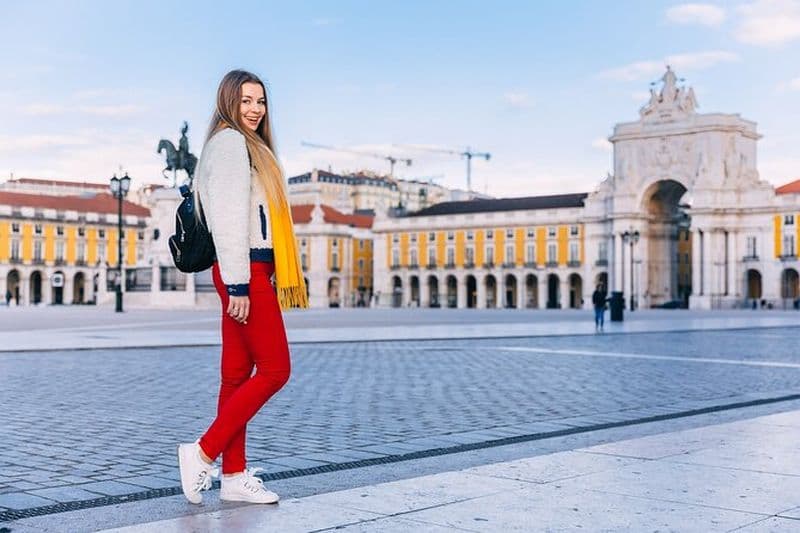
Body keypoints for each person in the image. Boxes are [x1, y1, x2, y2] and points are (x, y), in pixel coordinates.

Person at [177, 69, 308, 506]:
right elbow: (230, 218)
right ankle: (203, 452)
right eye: (246, 100)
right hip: (244, 271)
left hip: (249, 270)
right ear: (228, 101)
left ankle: (233, 476)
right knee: (275, 370)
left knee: (235, 376)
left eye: (261, 101)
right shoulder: (232, 143)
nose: (255, 109)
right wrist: (238, 285)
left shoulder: (249, 145)